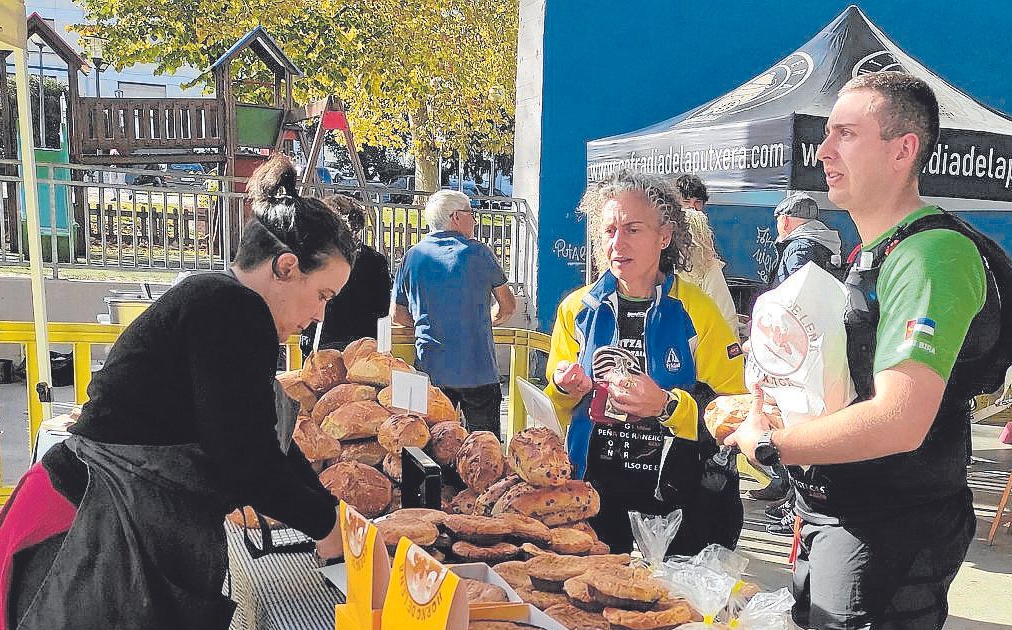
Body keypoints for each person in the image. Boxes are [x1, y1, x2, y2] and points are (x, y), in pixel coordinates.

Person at [0, 155, 354, 630]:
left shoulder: (222, 306)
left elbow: (265, 447)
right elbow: (242, 459)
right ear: (286, 267)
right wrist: (327, 526)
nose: (318, 316)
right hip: (91, 556)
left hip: (101, 545)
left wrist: (331, 516)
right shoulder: (228, 308)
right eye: (324, 296)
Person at [726, 72, 992, 630]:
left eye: (845, 133)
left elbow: (900, 420)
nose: (823, 150)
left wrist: (768, 444)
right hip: (844, 514)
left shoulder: (930, 256)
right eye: (826, 134)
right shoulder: (876, 250)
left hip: (892, 526)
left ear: (903, 150)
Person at [547, 170, 746, 555]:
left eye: (634, 230)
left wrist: (668, 406)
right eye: (609, 231)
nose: (618, 243)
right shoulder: (576, 309)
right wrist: (563, 386)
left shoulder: (698, 311)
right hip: (594, 492)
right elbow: (557, 403)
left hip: (677, 495)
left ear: (665, 236)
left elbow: (733, 406)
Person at [751, 192, 847, 528]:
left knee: (793, 418)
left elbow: (793, 301)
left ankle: (797, 506)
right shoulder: (826, 242)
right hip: (820, 346)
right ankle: (789, 492)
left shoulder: (799, 248)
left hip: (797, 348)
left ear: (787, 220)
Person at [391, 189, 516, 435]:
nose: (476, 220)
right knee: (482, 451)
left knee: (431, 449)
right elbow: (508, 307)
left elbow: (397, 314)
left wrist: (428, 323)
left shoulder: (412, 256)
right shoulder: (478, 252)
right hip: (478, 369)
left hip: (430, 367)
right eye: (472, 213)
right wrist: (482, 320)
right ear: (456, 217)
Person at [301, 193, 392, 353]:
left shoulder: (313, 256)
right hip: (363, 346)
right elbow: (383, 311)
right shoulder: (376, 261)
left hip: (320, 341)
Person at [673, 174, 738, 326]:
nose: (692, 207)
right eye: (686, 201)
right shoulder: (659, 253)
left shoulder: (706, 262)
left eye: (698, 202)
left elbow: (725, 316)